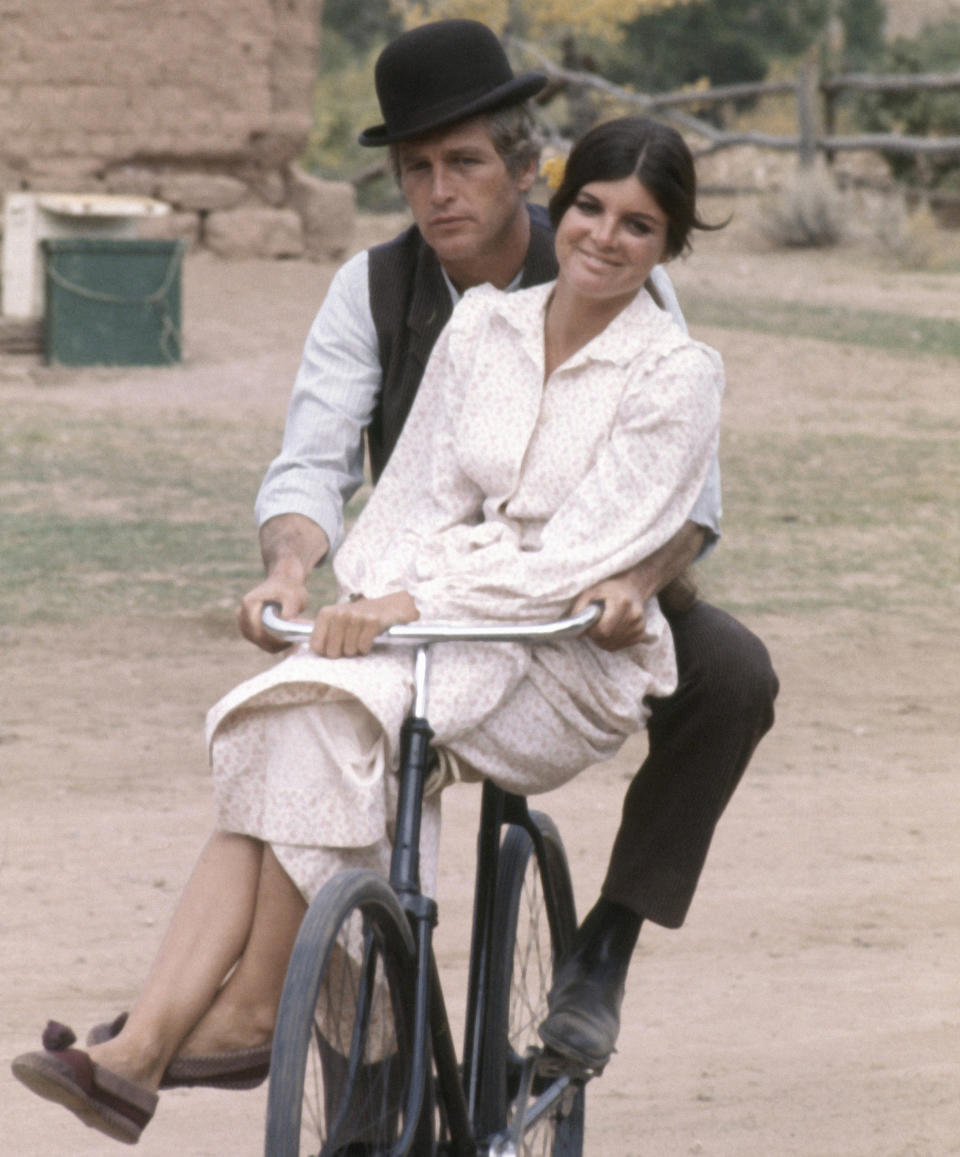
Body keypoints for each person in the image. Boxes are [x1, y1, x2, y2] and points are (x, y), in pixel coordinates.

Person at [12, 108, 725, 1147]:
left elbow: (585, 554)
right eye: (591, 210)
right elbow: (409, 498)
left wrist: (412, 608)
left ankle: (253, 1011)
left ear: (669, 244)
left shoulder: (676, 372)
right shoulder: (485, 325)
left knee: (338, 720)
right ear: (557, 207)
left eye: (640, 225)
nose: (606, 239)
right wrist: (361, 592)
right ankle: (139, 1052)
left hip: (557, 654)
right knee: (277, 710)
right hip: (438, 626)